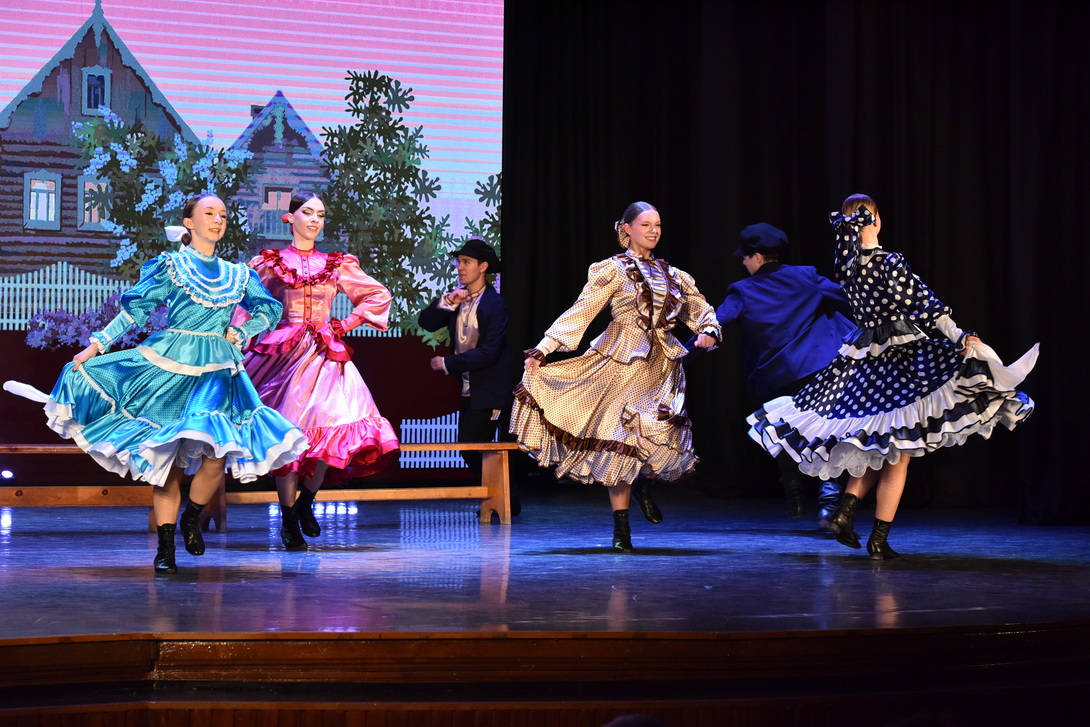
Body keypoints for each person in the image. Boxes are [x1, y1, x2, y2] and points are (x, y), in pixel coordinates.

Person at [4, 194, 309, 574]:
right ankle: (165, 548)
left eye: (223, 215)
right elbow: (135, 310)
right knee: (167, 462)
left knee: (216, 454)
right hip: (170, 362)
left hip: (217, 368)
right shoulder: (172, 265)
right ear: (189, 222)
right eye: (209, 213)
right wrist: (98, 345)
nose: (217, 220)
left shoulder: (238, 274)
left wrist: (243, 331)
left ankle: (191, 517)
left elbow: (268, 309)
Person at [747, 194, 1038, 558]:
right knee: (898, 452)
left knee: (876, 444)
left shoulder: (846, 265)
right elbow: (926, 307)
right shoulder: (888, 262)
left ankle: (846, 514)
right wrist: (962, 336)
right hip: (899, 357)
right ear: (876, 221)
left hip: (864, 357)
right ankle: (878, 539)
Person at [510, 201, 721, 551]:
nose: (653, 231)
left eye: (657, 224)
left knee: (660, 433)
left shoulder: (675, 275)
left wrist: (708, 329)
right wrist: (544, 348)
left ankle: (644, 486)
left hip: (662, 366)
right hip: (623, 362)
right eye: (646, 224)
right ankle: (621, 528)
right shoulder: (613, 269)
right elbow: (582, 311)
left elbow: (699, 307)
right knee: (619, 442)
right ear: (627, 229)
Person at [237, 192, 400, 550]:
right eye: (307, 212)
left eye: (320, 214)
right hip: (284, 355)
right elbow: (246, 306)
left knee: (335, 428)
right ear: (290, 218)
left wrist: (348, 323)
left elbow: (378, 295)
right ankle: (288, 517)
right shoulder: (270, 262)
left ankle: (306, 501)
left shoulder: (336, 263)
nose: (314, 220)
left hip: (325, 353)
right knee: (289, 439)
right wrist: (238, 339)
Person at [699, 223, 854, 525]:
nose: (743, 263)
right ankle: (829, 498)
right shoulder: (807, 276)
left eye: (745, 257)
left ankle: (794, 492)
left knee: (779, 432)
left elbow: (717, 321)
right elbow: (846, 298)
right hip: (818, 369)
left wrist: (694, 344)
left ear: (757, 257)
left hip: (776, 378)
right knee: (826, 430)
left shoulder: (742, 290)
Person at [417, 237, 517, 497]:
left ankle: (504, 498)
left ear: (483, 267)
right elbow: (426, 322)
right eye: (459, 262)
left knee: (473, 444)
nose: (460, 267)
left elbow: (490, 351)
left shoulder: (495, 304)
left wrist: (447, 363)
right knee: (470, 446)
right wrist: (447, 301)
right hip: (470, 388)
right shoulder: (458, 299)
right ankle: (503, 498)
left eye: (466, 262)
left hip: (492, 389)